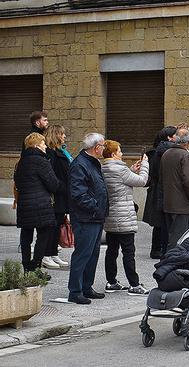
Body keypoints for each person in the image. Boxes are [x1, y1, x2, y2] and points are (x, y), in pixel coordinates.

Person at [100, 140, 150, 295]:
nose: (122, 154)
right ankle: (134, 285)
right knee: (128, 252)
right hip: (124, 216)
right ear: (114, 154)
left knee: (112, 250)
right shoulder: (120, 169)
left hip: (111, 216)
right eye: (120, 151)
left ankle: (111, 281)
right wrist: (145, 165)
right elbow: (142, 181)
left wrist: (131, 170)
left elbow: (119, 183)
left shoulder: (104, 168)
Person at [67, 133, 109, 305]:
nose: (104, 148)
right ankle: (75, 291)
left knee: (93, 253)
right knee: (83, 254)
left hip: (95, 216)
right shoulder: (80, 164)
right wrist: (95, 206)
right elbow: (78, 193)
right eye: (103, 145)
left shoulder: (92, 163)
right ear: (95, 147)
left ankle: (86, 286)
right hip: (86, 217)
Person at [14, 133, 59, 273]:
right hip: (40, 205)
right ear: (36, 145)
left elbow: (17, 183)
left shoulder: (20, 162)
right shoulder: (41, 161)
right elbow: (53, 184)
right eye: (43, 143)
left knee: (26, 236)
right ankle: (36, 266)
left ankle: (27, 266)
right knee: (44, 234)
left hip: (24, 204)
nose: (45, 146)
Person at [160, 126, 189, 249]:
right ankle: (171, 265)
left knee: (171, 237)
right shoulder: (185, 156)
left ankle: (168, 263)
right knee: (178, 239)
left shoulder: (166, 153)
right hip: (181, 205)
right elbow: (188, 180)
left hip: (168, 202)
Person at [144, 126, 177, 259]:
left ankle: (156, 249)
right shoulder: (170, 152)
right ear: (169, 137)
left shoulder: (154, 152)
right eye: (175, 135)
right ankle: (163, 249)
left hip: (156, 189)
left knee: (158, 222)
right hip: (164, 189)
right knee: (165, 221)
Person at [44, 125, 72, 268]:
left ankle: (54, 253)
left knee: (58, 223)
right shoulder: (51, 153)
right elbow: (51, 175)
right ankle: (46, 254)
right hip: (57, 195)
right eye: (62, 134)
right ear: (56, 135)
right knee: (52, 225)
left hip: (63, 194)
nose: (64, 136)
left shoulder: (62, 151)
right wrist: (60, 187)